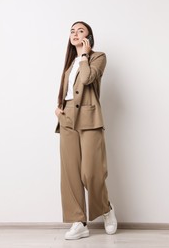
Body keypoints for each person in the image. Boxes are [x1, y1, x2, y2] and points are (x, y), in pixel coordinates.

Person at [55, 21, 117, 240]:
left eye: (80, 30)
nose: (75, 34)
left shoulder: (98, 57)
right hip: (67, 117)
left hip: (90, 116)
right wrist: (59, 106)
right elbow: (68, 90)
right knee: (70, 173)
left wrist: (84, 55)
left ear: (89, 36)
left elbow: (89, 78)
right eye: (72, 31)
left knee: (91, 171)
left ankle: (106, 209)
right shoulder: (69, 63)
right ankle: (78, 221)